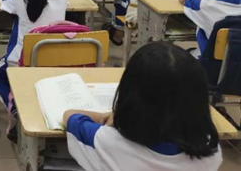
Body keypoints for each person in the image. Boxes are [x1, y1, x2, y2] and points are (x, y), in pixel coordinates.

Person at [64, 42, 222, 171]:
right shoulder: (210, 152)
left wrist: (111, 115)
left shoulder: (108, 142)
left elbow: (69, 116)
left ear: (129, 96)